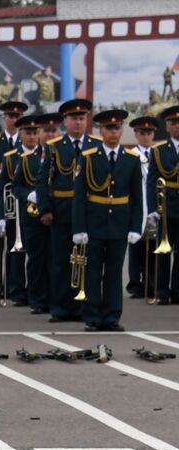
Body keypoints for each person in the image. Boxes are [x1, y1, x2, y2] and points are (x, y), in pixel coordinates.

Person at [74, 108, 144, 332]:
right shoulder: (88, 157)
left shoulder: (132, 159)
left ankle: (112, 316)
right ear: (100, 131)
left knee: (113, 273)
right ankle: (93, 316)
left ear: (122, 130)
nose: (113, 132)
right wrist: (79, 228)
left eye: (116, 128)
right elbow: (80, 197)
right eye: (108, 128)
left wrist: (135, 226)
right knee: (92, 272)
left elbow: (137, 197)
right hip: (94, 222)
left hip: (119, 223)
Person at [45, 98, 100, 323]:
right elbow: (43, 180)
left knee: (87, 261)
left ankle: (82, 307)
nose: (77, 122)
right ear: (65, 121)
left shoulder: (96, 145)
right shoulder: (54, 146)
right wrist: (45, 208)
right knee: (60, 261)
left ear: (86, 120)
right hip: (62, 210)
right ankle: (59, 308)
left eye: (81, 118)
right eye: (73, 118)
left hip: (89, 211)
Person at [7, 114, 53, 315]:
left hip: (55, 214)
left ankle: (54, 297)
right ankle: (37, 299)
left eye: (39, 132)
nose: (36, 136)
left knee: (55, 259)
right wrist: (29, 195)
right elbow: (15, 187)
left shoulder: (58, 155)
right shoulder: (26, 160)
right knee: (35, 259)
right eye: (35, 132)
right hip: (32, 216)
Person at [0, 100, 29, 305]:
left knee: (16, 246)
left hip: (20, 201)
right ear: (4, 118)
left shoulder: (27, 141)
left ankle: (14, 286)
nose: (14, 120)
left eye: (17, 117)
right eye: (10, 116)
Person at [125, 115, 161, 300]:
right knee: (136, 246)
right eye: (142, 133)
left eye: (149, 133)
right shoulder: (130, 155)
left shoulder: (158, 154)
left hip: (154, 207)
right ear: (136, 135)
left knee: (153, 247)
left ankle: (151, 283)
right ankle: (135, 284)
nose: (146, 136)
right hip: (136, 206)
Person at [154, 106, 179, 303]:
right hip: (167, 206)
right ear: (167, 128)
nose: (177, 126)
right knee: (163, 252)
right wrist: (152, 208)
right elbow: (151, 182)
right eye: (173, 124)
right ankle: (162, 292)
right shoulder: (159, 151)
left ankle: (178, 291)